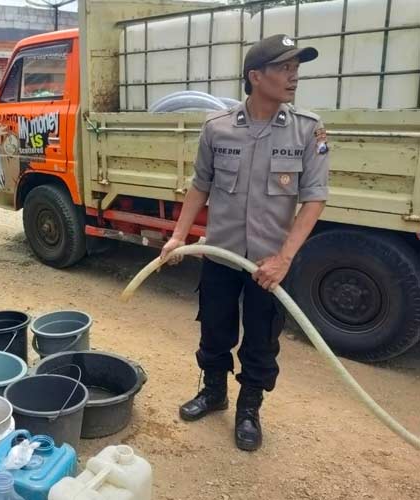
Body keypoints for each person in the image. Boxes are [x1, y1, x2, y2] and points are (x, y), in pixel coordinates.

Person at [160, 34, 330, 451]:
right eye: (284, 68)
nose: (294, 76)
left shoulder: (308, 130)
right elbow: (200, 186)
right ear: (256, 76)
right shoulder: (217, 128)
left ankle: (249, 409)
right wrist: (179, 236)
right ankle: (214, 393)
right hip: (222, 253)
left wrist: (284, 259)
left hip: (269, 265)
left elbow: (314, 199)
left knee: (260, 340)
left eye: (296, 68)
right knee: (214, 331)